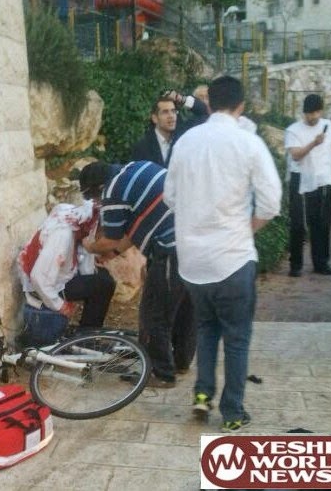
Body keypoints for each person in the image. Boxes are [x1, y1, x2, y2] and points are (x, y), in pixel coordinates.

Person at [164, 75, 282, 432]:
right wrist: (247, 228)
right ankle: (232, 412)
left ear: (210, 103)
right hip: (233, 259)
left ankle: (202, 395)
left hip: (193, 262)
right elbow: (271, 203)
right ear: (241, 105)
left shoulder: (185, 141)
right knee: (237, 338)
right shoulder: (249, 143)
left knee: (206, 328)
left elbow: (170, 197)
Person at [78, 160, 196, 388]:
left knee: (154, 314)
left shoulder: (113, 190)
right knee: (184, 307)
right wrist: (113, 254)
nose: (96, 202)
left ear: (99, 187)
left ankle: (161, 374)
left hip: (171, 250)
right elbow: (135, 231)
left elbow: (111, 239)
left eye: (92, 196)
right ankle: (180, 361)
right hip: (194, 242)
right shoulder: (135, 169)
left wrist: (89, 246)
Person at [18, 200, 116, 338]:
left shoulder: (75, 217)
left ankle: (87, 332)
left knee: (103, 277)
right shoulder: (62, 236)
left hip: (57, 275)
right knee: (104, 285)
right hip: (45, 286)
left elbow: (83, 253)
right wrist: (59, 305)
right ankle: (88, 338)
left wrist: (92, 264)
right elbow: (38, 278)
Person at [285, 94, 331, 277]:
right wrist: (314, 143)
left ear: (321, 111)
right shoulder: (293, 130)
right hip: (300, 178)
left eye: (316, 112)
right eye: (309, 113)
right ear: (304, 113)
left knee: (322, 223)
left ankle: (321, 262)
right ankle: (295, 264)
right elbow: (295, 155)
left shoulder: (328, 126)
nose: (313, 116)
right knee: (298, 223)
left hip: (324, 179)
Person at [131, 91, 208, 168]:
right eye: (165, 112)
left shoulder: (181, 138)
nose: (171, 116)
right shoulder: (143, 147)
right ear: (155, 118)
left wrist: (181, 99)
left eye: (173, 111)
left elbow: (205, 112)